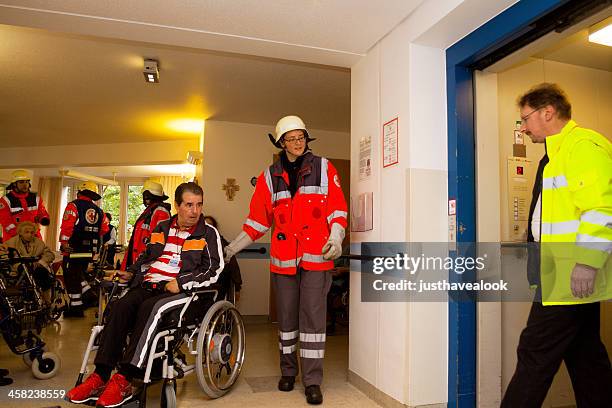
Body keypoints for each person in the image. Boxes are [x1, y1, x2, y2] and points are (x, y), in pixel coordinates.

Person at [224, 115, 348, 405]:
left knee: (313, 321)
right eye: (290, 138)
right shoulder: (270, 176)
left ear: (306, 138)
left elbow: (337, 209)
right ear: (281, 142)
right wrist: (232, 248)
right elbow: (257, 221)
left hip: (317, 259)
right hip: (284, 261)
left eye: (301, 137)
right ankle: (288, 371)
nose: (296, 142)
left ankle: (313, 380)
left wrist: (337, 236)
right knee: (288, 320)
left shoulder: (324, 168)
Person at [502, 83, 612, 407]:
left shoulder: (583, 147)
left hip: (571, 275)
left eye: (525, 119)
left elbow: (602, 209)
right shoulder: (554, 157)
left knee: (534, 352)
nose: (523, 127)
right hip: (560, 274)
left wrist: (587, 263)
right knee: (585, 355)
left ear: (547, 112)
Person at [66, 182, 224, 407]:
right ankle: (100, 376)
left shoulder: (208, 234)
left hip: (180, 291)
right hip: (149, 284)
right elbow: (146, 258)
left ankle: (125, 378)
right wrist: (130, 273)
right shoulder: (161, 228)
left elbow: (214, 270)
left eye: (199, 205)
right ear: (178, 206)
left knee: (153, 310)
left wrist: (181, 282)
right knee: (121, 306)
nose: (195, 211)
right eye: (189, 205)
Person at [60, 181, 109, 318]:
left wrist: (64, 242)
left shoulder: (73, 206)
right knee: (77, 274)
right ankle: (85, 297)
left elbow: (67, 226)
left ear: (79, 192)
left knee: (71, 276)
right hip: (89, 250)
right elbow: (104, 229)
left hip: (73, 248)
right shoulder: (99, 211)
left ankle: (79, 305)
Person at [120, 180, 170, 270]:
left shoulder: (160, 212)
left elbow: (158, 243)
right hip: (140, 261)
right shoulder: (150, 211)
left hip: (147, 264)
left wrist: (144, 261)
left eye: (146, 196)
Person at [2, 221, 55, 302]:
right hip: (19, 267)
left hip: (36, 266)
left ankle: (46, 301)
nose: (30, 234)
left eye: (32, 232)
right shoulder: (12, 242)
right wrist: (11, 258)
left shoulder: (39, 243)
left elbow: (50, 254)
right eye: (26, 232)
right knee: (25, 270)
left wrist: (41, 262)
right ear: (20, 232)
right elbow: (2, 252)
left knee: (43, 274)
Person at [0, 169, 50, 241]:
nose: (25, 185)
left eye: (27, 182)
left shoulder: (36, 198)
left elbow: (42, 213)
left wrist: (43, 218)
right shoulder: (5, 200)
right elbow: (6, 222)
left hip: (34, 238)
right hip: (14, 239)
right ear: (14, 184)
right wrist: (20, 234)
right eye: (21, 182)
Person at [203, 215, 242, 302]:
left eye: (210, 225)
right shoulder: (194, 241)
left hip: (217, 281)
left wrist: (237, 287)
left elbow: (233, 265)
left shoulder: (221, 243)